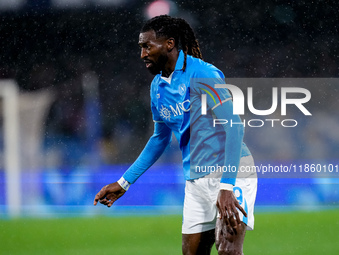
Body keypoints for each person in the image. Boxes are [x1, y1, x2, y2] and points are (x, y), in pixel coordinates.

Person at [94, 15, 257, 255]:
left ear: (169, 44)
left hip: (231, 174)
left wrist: (227, 187)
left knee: (228, 250)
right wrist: (124, 183)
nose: (142, 54)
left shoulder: (204, 74)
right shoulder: (157, 87)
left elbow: (234, 126)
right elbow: (159, 138)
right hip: (195, 180)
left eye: (147, 46)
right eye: (141, 48)